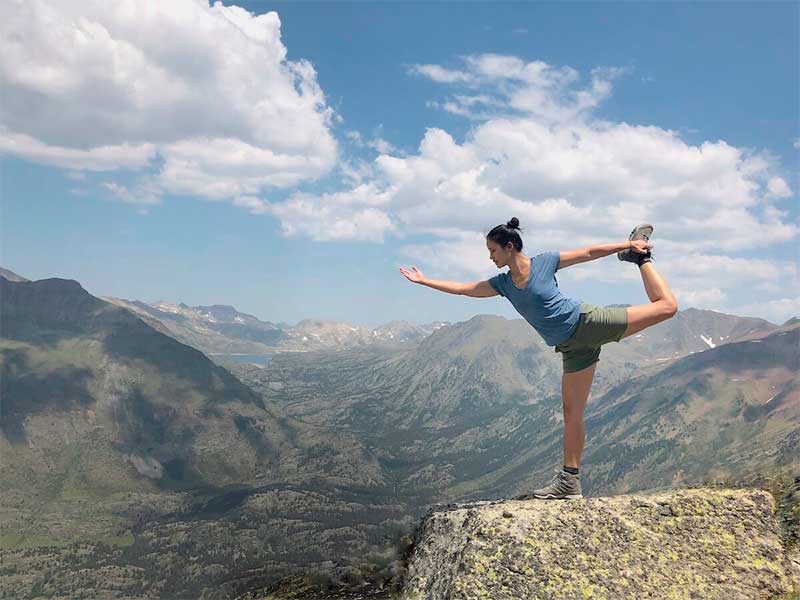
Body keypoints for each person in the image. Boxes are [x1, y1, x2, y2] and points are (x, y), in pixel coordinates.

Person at [398, 218, 678, 500]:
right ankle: (570, 482)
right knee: (572, 414)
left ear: (509, 248)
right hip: (572, 348)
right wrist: (424, 281)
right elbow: (464, 289)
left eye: (493, 251)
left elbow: (589, 252)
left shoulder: (544, 262)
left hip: (587, 323)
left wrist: (628, 244)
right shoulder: (503, 284)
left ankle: (641, 259)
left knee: (667, 307)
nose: (490, 257)